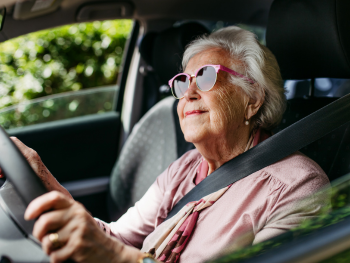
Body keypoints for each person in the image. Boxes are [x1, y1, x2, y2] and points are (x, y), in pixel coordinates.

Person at [6, 26, 330, 263]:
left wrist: (119, 257)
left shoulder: (296, 186)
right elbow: (114, 238)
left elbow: (113, 250)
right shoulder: (186, 167)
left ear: (253, 99)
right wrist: (40, 178)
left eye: (206, 77)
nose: (188, 93)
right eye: (182, 82)